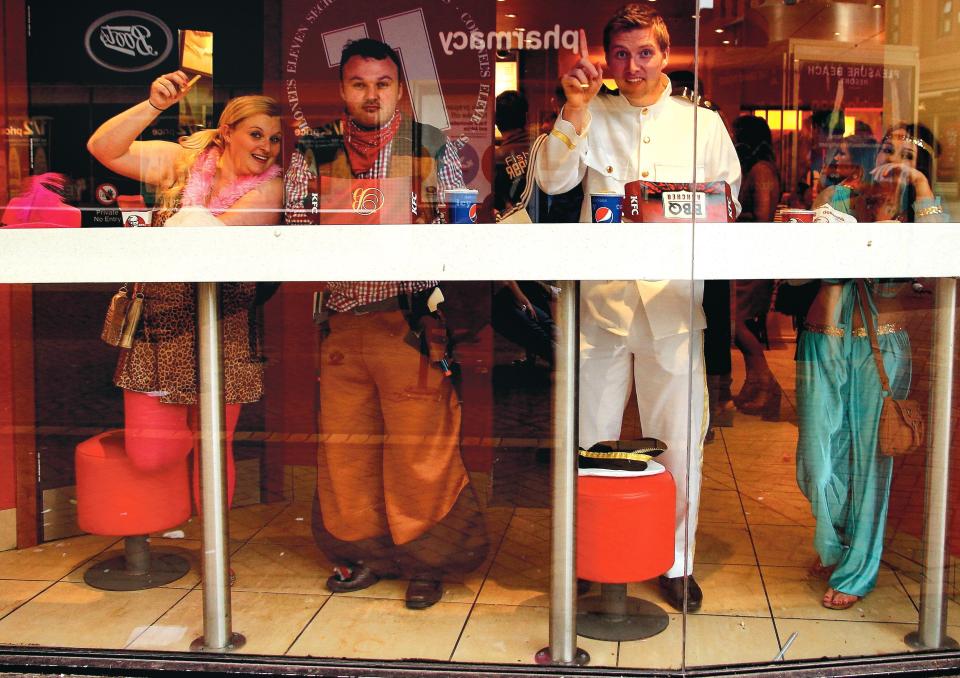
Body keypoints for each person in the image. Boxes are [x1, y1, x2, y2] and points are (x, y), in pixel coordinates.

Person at [535, 3, 742, 613]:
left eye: (644, 53)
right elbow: (549, 181)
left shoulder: (702, 126)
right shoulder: (586, 115)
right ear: (607, 58)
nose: (632, 66)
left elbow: (725, 207)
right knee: (588, 436)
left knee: (679, 441)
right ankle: (584, 555)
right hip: (601, 303)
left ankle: (676, 560)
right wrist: (574, 109)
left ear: (666, 51)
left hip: (675, 306)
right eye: (620, 55)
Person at [284, 38, 487, 610]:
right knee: (346, 449)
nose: (371, 95)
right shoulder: (314, 149)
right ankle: (363, 556)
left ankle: (427, 562)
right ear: (342, 89)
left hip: (411, 323)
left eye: (382, 83)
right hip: (344, 325)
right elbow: (295, 230)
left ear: (399, 87)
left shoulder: (432, 147)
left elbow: (461, 232)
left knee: (419, 452)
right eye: (358, 83)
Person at [86, 74, 283, 571]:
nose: (266, 147)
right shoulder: (182, 163)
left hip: (223, 324)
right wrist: (152, 105)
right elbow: (104, 148)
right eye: (256, 133)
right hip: (159, 322)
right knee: (153, 451)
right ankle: (167, 515)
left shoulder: (270, 186)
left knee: (215, 446)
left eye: (275, 139)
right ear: (226, 133)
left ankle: (213, 553)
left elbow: (207, 239)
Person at [796, 122, 946, 610]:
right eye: (888, 147)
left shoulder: (919, 210)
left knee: (871, 464)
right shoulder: (839, 196)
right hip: (825, 338)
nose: (894, 157)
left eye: (908, 154)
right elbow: (807, 261)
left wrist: (919, 188)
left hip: (882, 349)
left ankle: (858, 567)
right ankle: (836, 540)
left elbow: (942, 260)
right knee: (816, 463)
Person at [731, 115, 781, 420]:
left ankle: (767, 384)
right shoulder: (755, 168)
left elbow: (763, 216)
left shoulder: (761, 170)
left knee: (735, 322)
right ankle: (757, 385)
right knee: (738, 323)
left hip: (752, 254)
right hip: (746, 253)